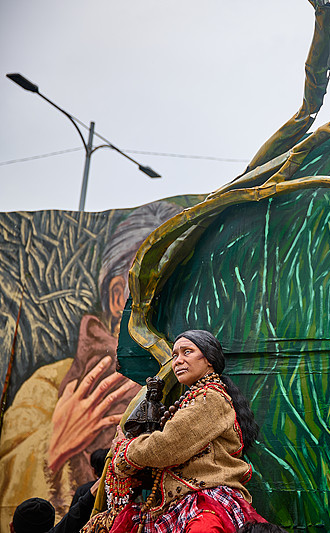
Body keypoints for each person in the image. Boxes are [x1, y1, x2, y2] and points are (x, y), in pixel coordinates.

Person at [0, 201, 181, 523]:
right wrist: (51, 445)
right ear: (116, 297)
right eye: (157, 283)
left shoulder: (191, 373)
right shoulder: (50, 385)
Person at [83, 330, 264, 533]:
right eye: (175, 355)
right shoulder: (197, 397)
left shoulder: (209, 398)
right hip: (183, 501)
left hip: (205, 502)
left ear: (210, 360)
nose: (178, 361)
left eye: (187, 352)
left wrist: (125, 450)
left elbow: (166, 446)